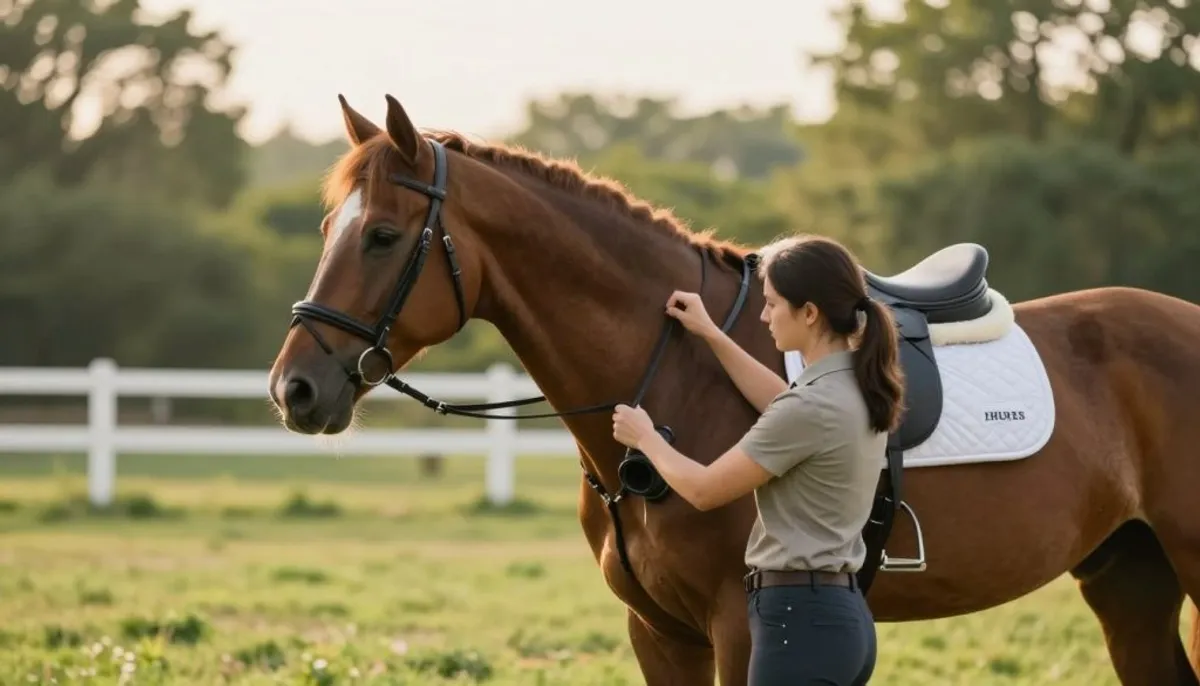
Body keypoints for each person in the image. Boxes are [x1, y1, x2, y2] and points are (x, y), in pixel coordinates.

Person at [611, 233, 905, 685]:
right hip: (841, 621)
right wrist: (712, 334)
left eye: (771, 304)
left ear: (809, 313)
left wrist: (646, 438)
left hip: (797, 624)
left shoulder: (810, 408)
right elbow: (780, 401)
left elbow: (705, 490)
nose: (764, 316)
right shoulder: (854, 387)